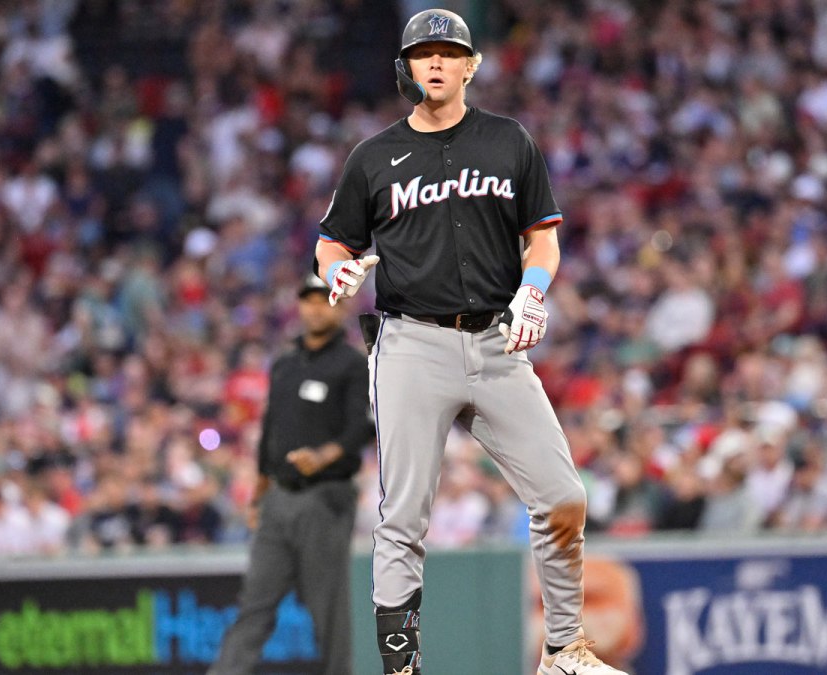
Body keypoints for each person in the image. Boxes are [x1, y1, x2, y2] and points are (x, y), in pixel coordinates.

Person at [315, 10, 626, 675]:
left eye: (447, 53)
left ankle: (565, 650)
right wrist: (332, 265)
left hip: (494, 342)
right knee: (403, 515)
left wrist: (533, 289)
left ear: (470, 66)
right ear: (407, 67)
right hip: (412, 346)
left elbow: (542, 235)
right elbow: (332, 240)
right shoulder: (374, 156)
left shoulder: (508, 141)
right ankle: (401, 668)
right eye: (422, 53)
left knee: (563, 496)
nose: (435, 62)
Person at [210, 274, 373, 675]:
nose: (317, 308)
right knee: (254, 606)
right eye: (310, 300)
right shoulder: (284, 362)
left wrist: (323, 456)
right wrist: (259, 491)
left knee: (328, 611)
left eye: (326, 300)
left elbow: (362, 427)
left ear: (343, 306)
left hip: (325, 497)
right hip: (278, 498)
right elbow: (270, 430)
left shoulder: (352, 363)